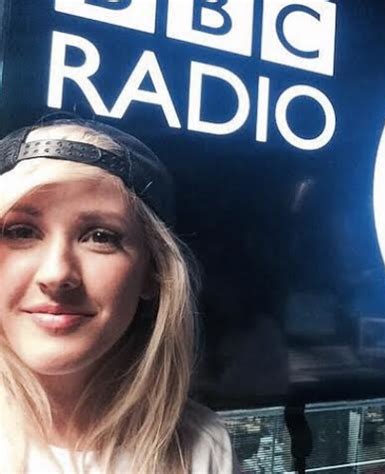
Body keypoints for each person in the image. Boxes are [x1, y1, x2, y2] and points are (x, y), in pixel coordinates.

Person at [0, 118, 238, 473]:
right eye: (21, 231)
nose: (56, 274)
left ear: (152, 275)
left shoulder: (203, 446)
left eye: (100, 237)